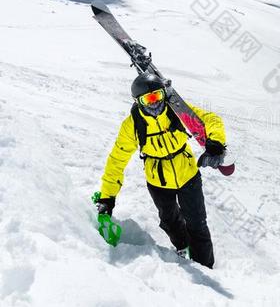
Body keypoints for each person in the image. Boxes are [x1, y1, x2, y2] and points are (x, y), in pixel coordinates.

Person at [95, 72, 227, 269]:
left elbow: (211, 120)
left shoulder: (177, 111)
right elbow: (117, 160)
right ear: (138, 101)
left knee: (197, 224)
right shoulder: (133, 125)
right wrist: (107, 197)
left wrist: (216, 142)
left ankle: (205, 269)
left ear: (164, 94)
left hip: (188, 175)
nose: (154, 103)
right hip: (158, 181)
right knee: (169, 220)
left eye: (157, 96)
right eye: (147, 99)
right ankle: (182, 246)